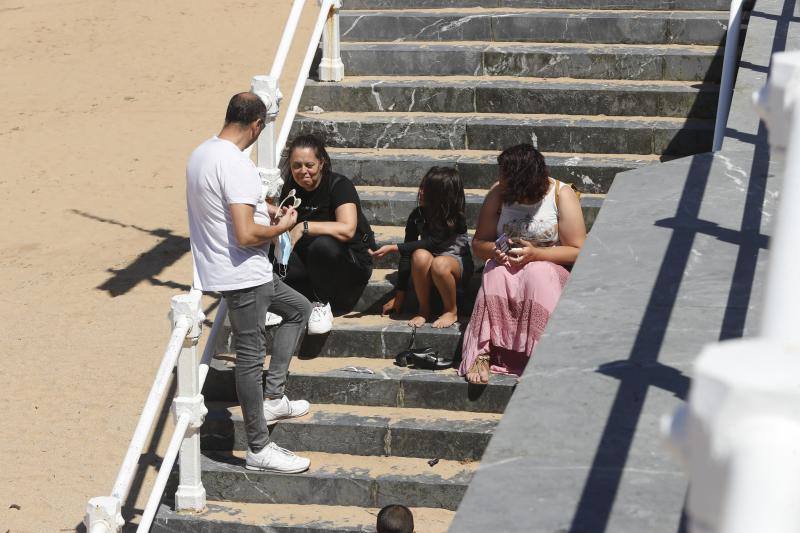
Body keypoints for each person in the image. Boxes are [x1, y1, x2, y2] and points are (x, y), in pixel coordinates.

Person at [186, 92, 313, 473]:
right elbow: (244, 233)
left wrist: (267, 208)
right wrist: (283, 226)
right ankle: (259, 446)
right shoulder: (237, 164)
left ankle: (273, 394)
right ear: (257, 125)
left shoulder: (202, 154)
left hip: (232, 271)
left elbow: (227, 208)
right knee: (248, 358)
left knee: (299, 309)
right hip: (244, 274)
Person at [460, 144, 586, 384]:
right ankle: (484, 353)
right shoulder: (498, 193)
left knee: (538, 275)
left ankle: (540, 357)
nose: (499, 180)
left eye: (504, 175)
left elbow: (578, 251)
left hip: (549, 262)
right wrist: (495, 251)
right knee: (495, 274)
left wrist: (536, 254)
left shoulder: (561, 194)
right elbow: (478, 243)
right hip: (506, 262)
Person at [279, 135, 375, 333]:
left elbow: (348, 229)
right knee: (269, 244)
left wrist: (304, 226)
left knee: (322, 245)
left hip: (347, 268)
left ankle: (321, 305)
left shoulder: (339, 186)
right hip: (310, 268)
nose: (303, 171)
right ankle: (277, 301)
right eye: (296, 166)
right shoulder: (291, 188)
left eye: (309, 165)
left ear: (321, 163)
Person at [370, 167, 473, 329]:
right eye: (422, 187)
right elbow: (407, 255)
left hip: (455, 266)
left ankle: (451, 310)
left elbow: (433, 242)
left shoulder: (455, 217)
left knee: (439, 264)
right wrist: (400, 294)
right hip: (429, 268)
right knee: (418, 255)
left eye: (428, 190)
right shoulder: (417, 215)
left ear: (442, 195)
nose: (421, 192)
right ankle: (424, 309)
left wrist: (394, 247)